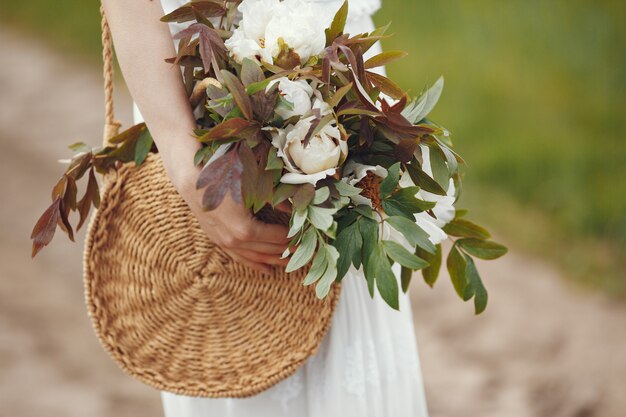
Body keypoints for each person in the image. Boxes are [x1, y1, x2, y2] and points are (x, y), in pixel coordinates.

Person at [101, 0, 429, 416]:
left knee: (347, 309)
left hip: (338, 69)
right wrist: (186, 166)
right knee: (233, 330)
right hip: (203, 86)